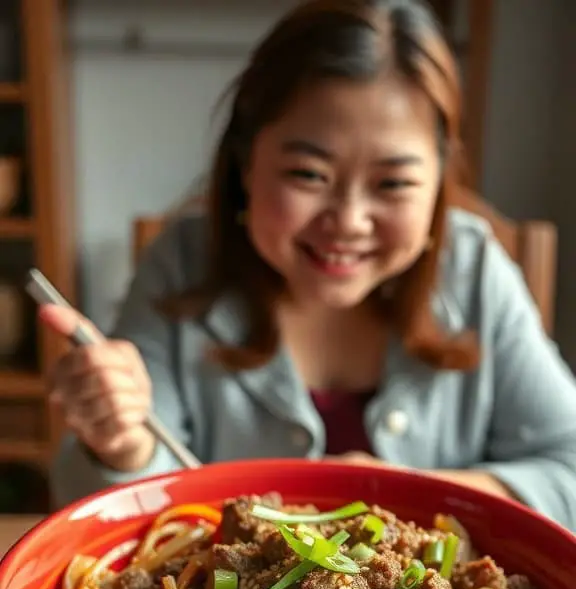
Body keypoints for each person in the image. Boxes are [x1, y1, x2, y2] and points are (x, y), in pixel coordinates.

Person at [45, 0, 576, 529]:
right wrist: (122, 445)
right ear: (245, 163)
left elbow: (568, 470)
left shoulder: (475, 269)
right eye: (308, 174)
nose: (348, 220)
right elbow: (103, 512)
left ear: (438, 182)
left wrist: (404, 495)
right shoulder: (184, 264)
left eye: (392, 183)